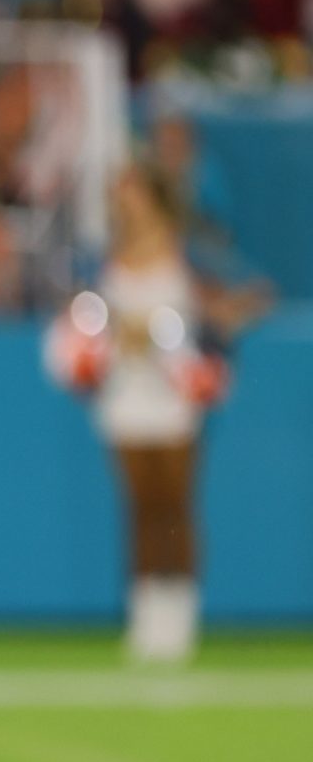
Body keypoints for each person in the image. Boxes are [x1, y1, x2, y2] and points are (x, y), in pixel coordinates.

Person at [50, 161, 268, 663]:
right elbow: (83, 320)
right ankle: (146, 617)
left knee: (175, 505)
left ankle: (181, 616)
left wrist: (188, 330)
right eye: (119, 196)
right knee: (140, 506)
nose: (126, 204)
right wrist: (108, 337)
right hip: (125, 395)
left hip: (172, 397)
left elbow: (242, 298)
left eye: (135, 193)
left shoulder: (190, 252)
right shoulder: (102, 259)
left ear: (154, 196)